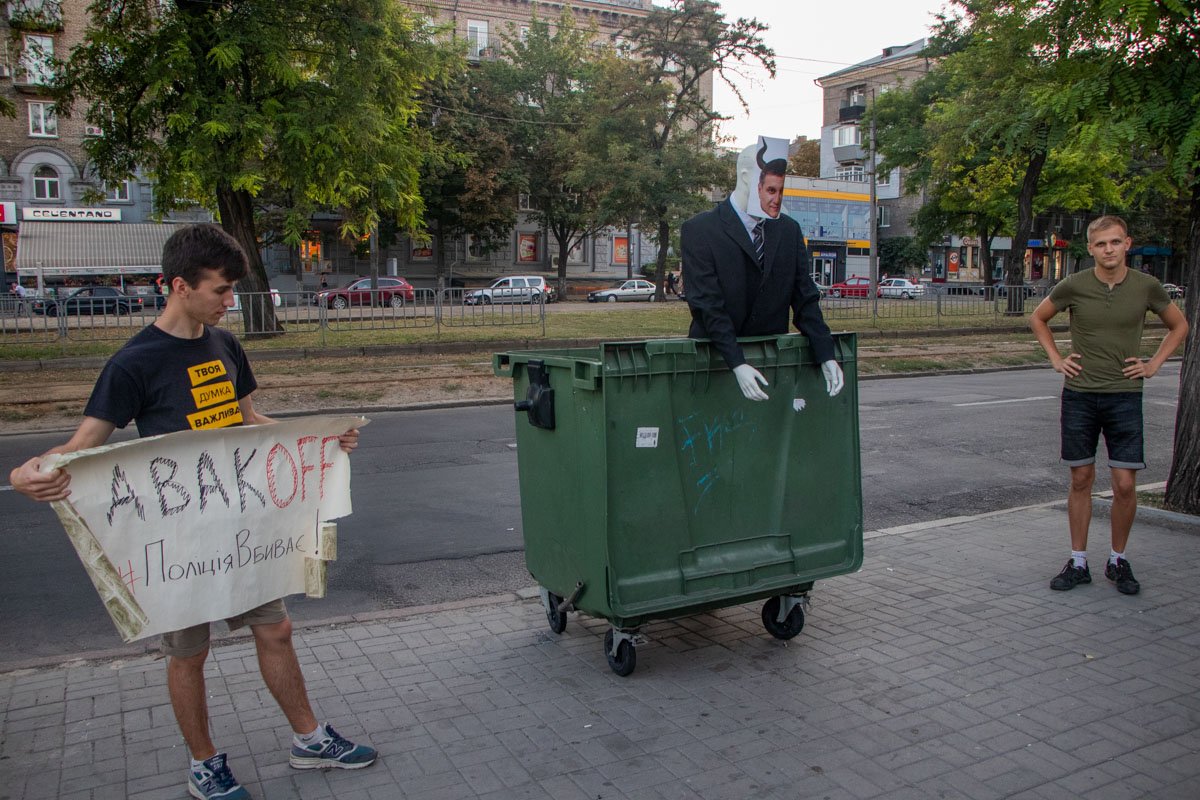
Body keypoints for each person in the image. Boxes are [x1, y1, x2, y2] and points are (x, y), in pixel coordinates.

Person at [8, 224, 376, 800]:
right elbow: (83, 448)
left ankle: (310, 740)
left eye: (232, 291)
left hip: (242, 529)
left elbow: (250, 425)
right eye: (221, 290)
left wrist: (325, 438)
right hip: (176, 540)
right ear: (179, 285)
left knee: (276, 628)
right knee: (189, 652)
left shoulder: (226, 345)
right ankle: (204, 764)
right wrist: (24, 472)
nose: (231, 302)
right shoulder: (133, 363)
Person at [1029, 215, 1188, 595]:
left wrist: (1152, 364)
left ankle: (1117, 560)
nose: (1109, 250)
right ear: (1091, 249)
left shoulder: (1147, 287)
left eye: (1115, 242)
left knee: (1125, 484)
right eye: (1101, 244)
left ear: (1127, 244)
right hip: (1080, 394)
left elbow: (1179, 326)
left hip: (1124, 395)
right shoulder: (1074, 285)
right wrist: (1055, 358)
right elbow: (1038, 318)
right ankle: (1078, 561)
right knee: (1081, 478)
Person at [681, 140, 844, 401]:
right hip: (716, 364)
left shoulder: (787, 230)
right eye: (770, 189)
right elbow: (706, 304)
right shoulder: (701, 231)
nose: (776, 199)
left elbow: (805, 298)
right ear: (747, 179)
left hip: (769, 364)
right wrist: (737, 363)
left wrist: (825, 353)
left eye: (781, 190)